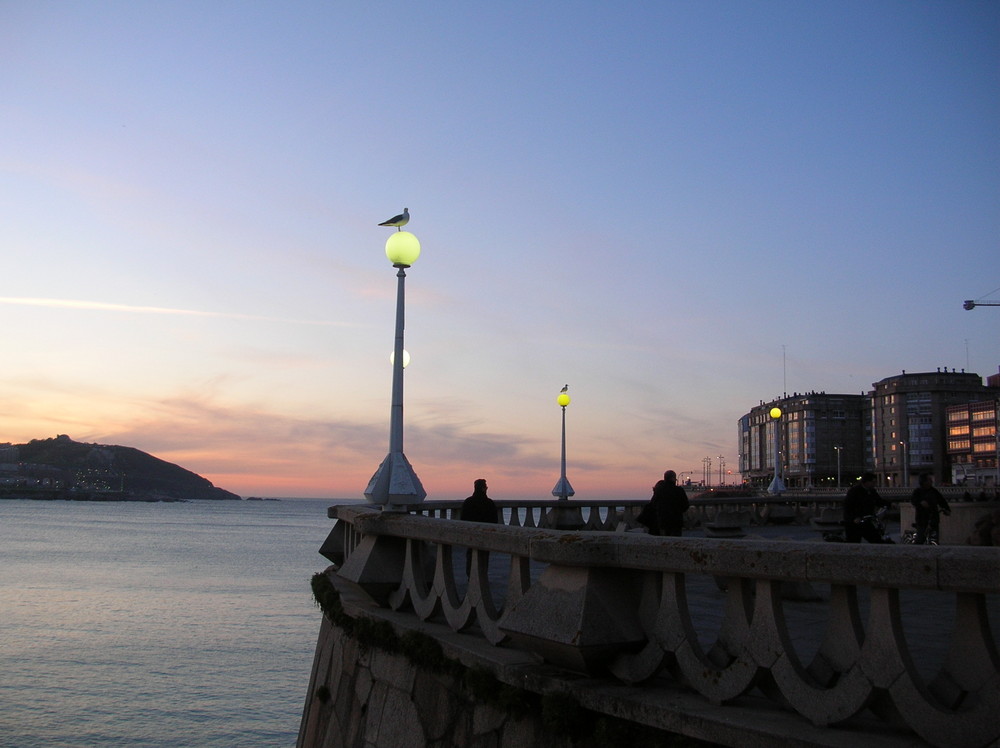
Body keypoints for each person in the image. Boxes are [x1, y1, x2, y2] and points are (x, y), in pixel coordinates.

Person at [459, 479, 498, 576]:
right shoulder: (489, 503)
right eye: (486, 487)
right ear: (483, 488)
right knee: (484, 557)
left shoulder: (468, 502)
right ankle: (482, 575)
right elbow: (495, 521)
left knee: (471, 556)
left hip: (471, 535)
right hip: (485, 535)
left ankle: (470, 577)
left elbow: (463, 519)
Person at [843, 472, 891, 543]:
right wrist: (853, 518)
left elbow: (878, 501)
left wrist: (889, 504)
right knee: (853, 543)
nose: (874, 484)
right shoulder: (854, 491)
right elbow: (847, 506)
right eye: (873, 482)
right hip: (854, 523)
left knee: (876, 540)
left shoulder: (872, 491)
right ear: (866, 482)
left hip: (866, 520)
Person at [911, 473, 950, 544]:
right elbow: (913, 501)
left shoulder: (934, 491)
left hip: (933, 518)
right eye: (929, 480)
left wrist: (947, 509)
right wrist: (920, 503)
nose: (932, 481)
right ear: (924, 481)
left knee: (935, 538)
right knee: (920, 539)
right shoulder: (918, 492)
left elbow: (942, 501)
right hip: (922, 519)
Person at [648, 470, 690, 537]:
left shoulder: (659, 490)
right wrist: (678, 511)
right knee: (676, 542)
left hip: (662, 521)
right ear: (673, 479)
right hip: (676, 521)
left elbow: (653, 504)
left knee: (664, 541)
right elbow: (686, 505)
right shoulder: (679, 490)